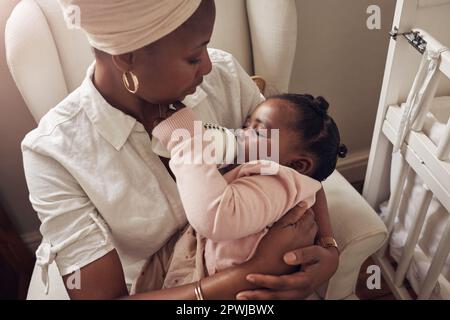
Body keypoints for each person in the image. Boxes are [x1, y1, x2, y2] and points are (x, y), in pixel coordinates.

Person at [21, 0, 339, 300]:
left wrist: (328, 249)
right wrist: (248, 274)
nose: (208, 65)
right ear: (126, 57)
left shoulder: (224, 77)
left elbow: (292, 160)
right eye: (193, 56)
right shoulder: (52, 154)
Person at [137, 94, 346, 290]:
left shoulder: (279, 180)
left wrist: (187, 143)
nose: (240, 134)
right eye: (245, 125)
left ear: (298, 165)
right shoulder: (273, 177)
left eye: (257, 132)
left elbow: (216, 216)